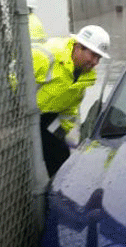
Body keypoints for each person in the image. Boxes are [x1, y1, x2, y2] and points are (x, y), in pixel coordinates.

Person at [32, 24, 110, 176]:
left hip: (47, 117)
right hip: (23, 115)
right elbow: (14, 82)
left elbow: (69, 110)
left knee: (62, 154)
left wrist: (70, 142)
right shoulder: (47, 56)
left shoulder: (83, 77)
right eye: (93, 55)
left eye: (98, 58)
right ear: (78, 47)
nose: (95, 62)